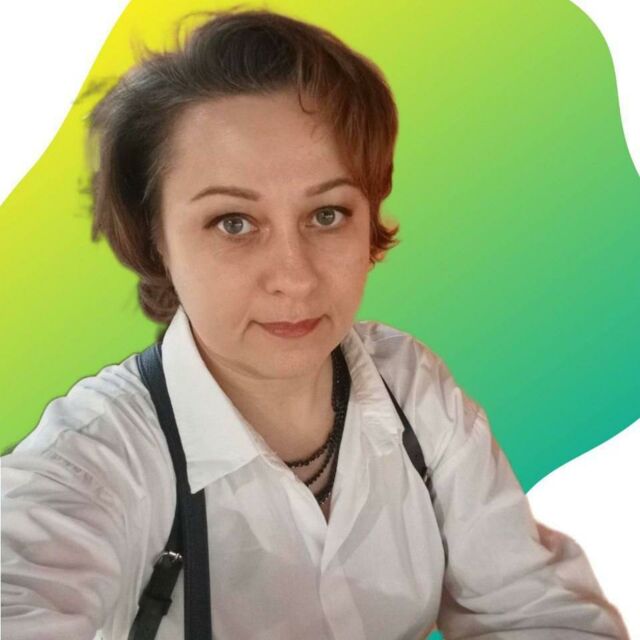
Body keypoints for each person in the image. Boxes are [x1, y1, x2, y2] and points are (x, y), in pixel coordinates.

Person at [0, 7, 629, 640]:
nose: (295, 278)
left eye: (327, 214)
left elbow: (539, 613)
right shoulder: (92, 461)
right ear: (156, 238)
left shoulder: (411, 387)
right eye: (233, 223)